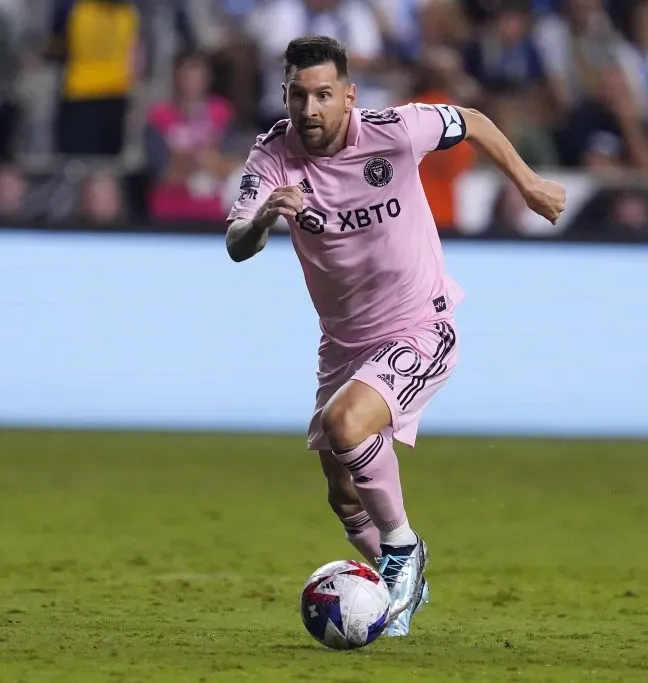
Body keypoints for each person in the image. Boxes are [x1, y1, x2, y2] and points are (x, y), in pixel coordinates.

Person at [224, 36, 566, 637]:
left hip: (420, 324)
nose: (309, 109)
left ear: (348, 96)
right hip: (343, 344)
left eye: (323, 95)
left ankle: (403, 552)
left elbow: (475, 121)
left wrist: (527, 182)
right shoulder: (272, 157)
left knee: (346, 425)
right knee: (341, 489)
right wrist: (266, 219)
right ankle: (396, 583)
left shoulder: (395, 130)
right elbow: (236, 245)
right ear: (284, 95)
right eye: (298, 95)